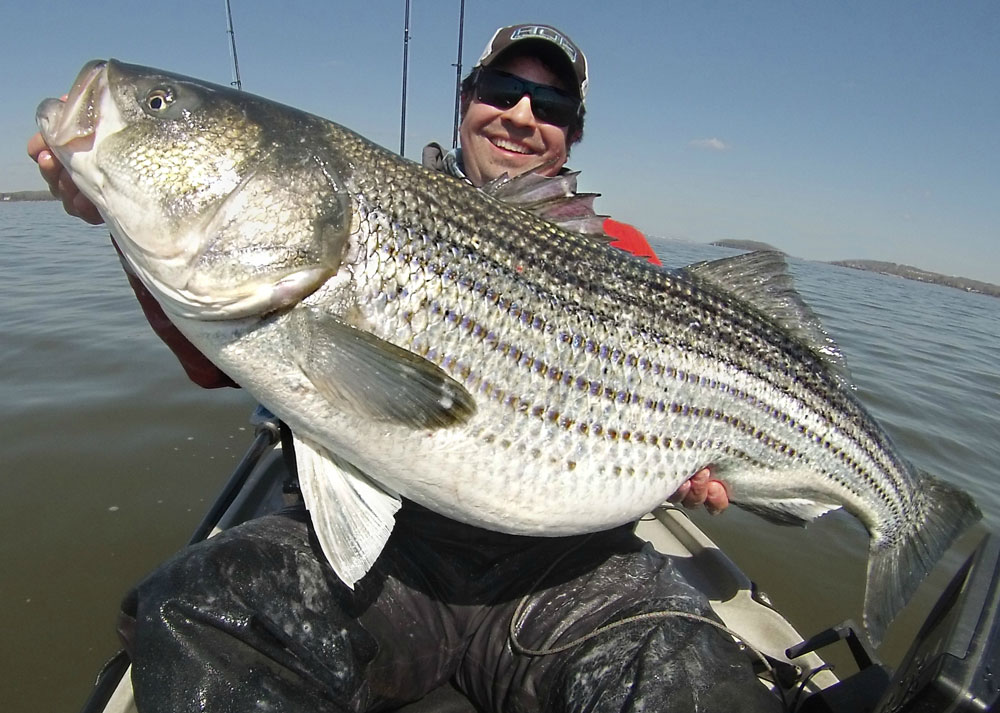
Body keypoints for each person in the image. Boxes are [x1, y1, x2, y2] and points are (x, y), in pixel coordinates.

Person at [29, 24, 777, 713]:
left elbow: (694, 432)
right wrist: (123, 217)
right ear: (466, 103)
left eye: (548, 103)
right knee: (194, 614)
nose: (520, 113)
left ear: (571, 133)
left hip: (569, 574)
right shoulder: (370, 194)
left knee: (693, 681)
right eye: (500, 92)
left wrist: (699, 462)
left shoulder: (623, 256)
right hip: (393, 565)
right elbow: (212, 362)